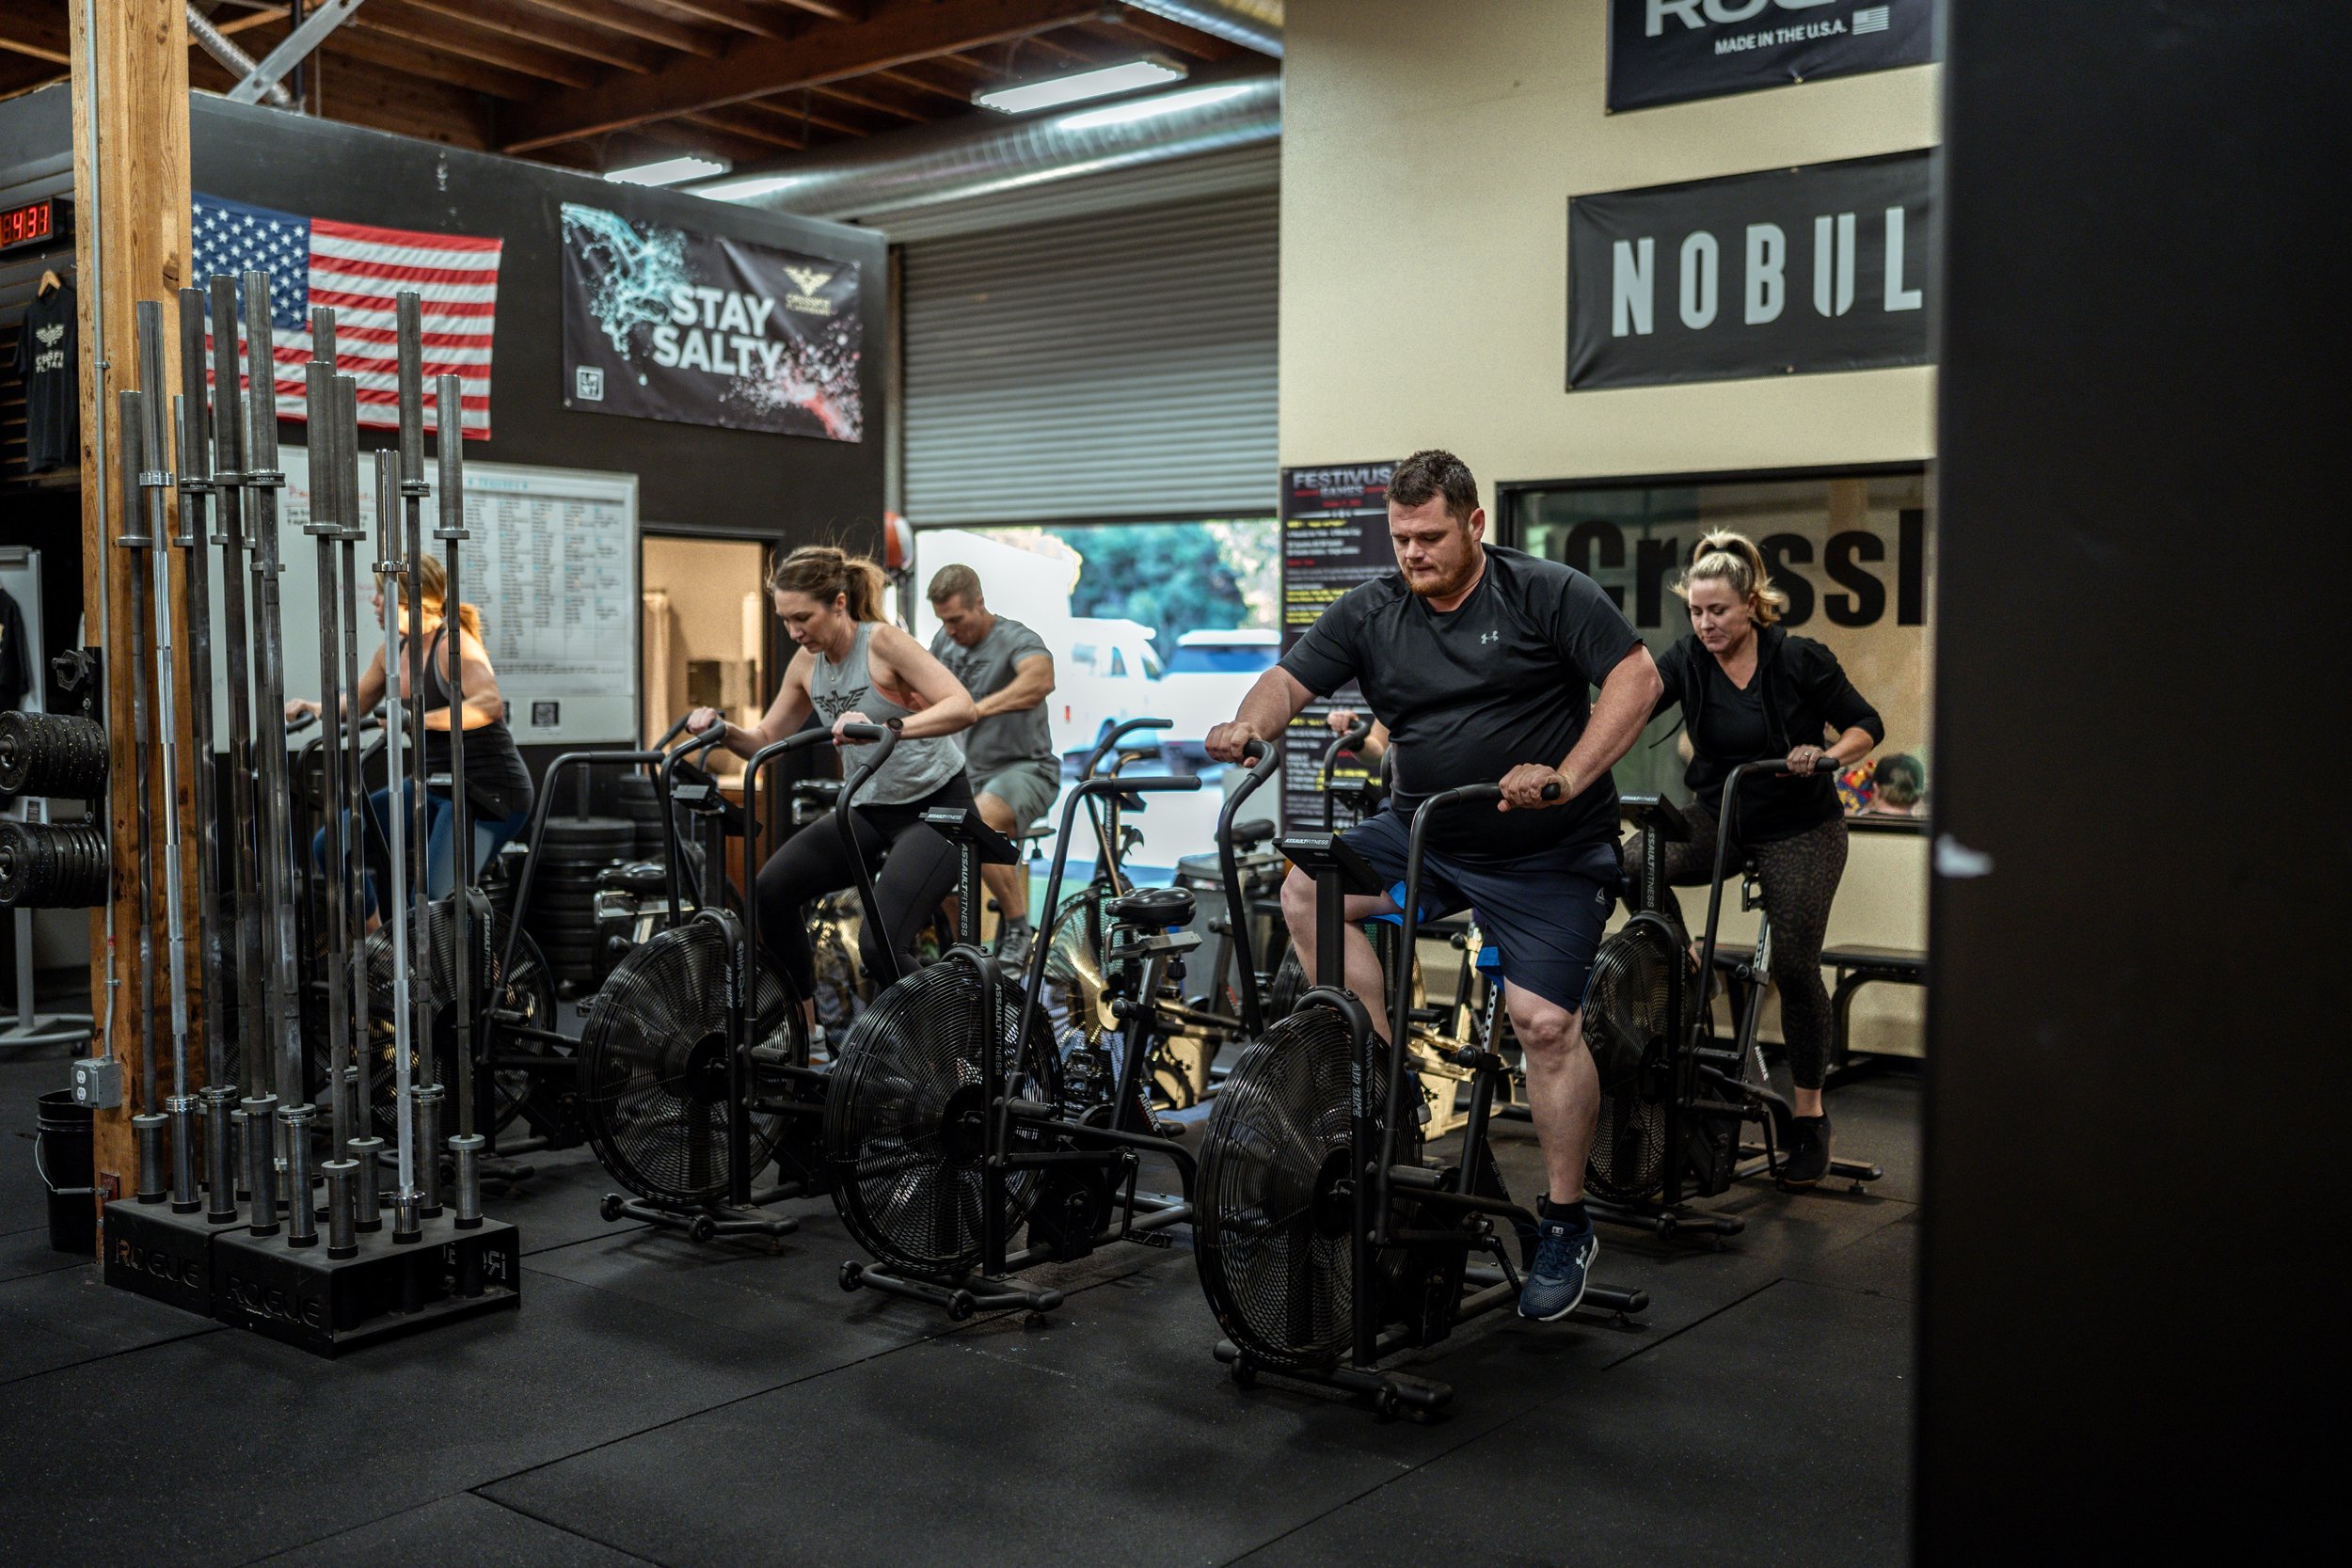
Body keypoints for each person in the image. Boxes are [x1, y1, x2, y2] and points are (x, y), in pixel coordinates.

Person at [1207, 448, 1661, 1323]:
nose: (1413, 553)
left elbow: (1637, 679)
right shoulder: (1372, 610)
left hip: (1549, 851)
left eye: (1430, 536)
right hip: (1427, 837)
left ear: (1475, 524)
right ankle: (1384, 1078)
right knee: (1307, 888)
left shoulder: (1546, 592)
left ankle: (1567, 1219)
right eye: (1401, 537)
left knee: (1546, 1024)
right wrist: (1249, 724)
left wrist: (1565, 772)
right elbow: (1289, 679)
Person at [1633, 530, 1883, 1187]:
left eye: (1718, 610)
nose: (1706, 623)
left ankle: (1808, 1116)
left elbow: (1867, 725)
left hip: (1801, 825)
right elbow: (1627, 710)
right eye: (1696, 610)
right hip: (1723, 816)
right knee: (1635, 860)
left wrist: (1828, 755)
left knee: (1798, 966)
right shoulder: (1686, 659)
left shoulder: (1800, 657)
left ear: (1751, 605)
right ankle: (1687, 964)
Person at [689, 546, 978, 1043]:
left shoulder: (883, 643)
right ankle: (808, 1035)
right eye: (785, 619)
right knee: (770, 892)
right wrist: (720, 728)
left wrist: (888, 727)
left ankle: (942, 1053)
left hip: (937, 806)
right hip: (867, 808)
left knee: (879, 942)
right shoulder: (807, 663)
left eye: (803, 617)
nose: (795, 630)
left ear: (839, 603)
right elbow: (765, 742)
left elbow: (963, 707)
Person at [289, 555, 535, 919]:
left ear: (409, 601)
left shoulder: (454, 643)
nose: (373, 602)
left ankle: (476, 975)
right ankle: (377, 948)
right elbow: (353, 705)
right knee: (332, 844)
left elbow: (490, 704)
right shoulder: (393, 652)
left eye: (379, 595)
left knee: (439, 900)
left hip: (488, 794)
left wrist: (413, 720)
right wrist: (310, 706)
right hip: (433, 786)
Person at [925, 564, 1058, 960]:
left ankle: (1019, 928)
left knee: (972, 823)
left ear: (979, 604)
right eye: (942, 620)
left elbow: (1040, 680)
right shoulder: (944, 643)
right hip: (967, 774)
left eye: (956, 619)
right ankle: (948, 942)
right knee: (927, 832)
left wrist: (974, 709)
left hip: (1026, 770)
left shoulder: (1015, 638)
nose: (949, 629)